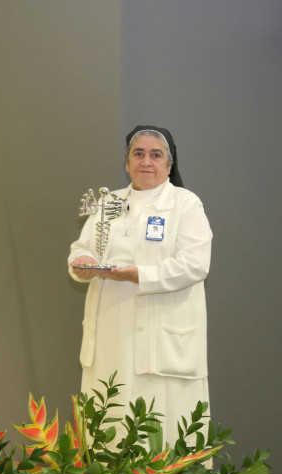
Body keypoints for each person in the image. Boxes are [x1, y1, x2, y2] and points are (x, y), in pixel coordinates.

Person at [68, 125, 212, 446]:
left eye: (155, 155)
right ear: (127, 161)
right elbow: (83, 249)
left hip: (161, 342)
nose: (146, 161)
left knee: (160, 432)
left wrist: (138, 275)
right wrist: (82, 266)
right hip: (109, 337)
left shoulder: (185, 204)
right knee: (108, 426)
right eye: (139, 153)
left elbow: (195, 264)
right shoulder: (109, 203)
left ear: (169, 166)